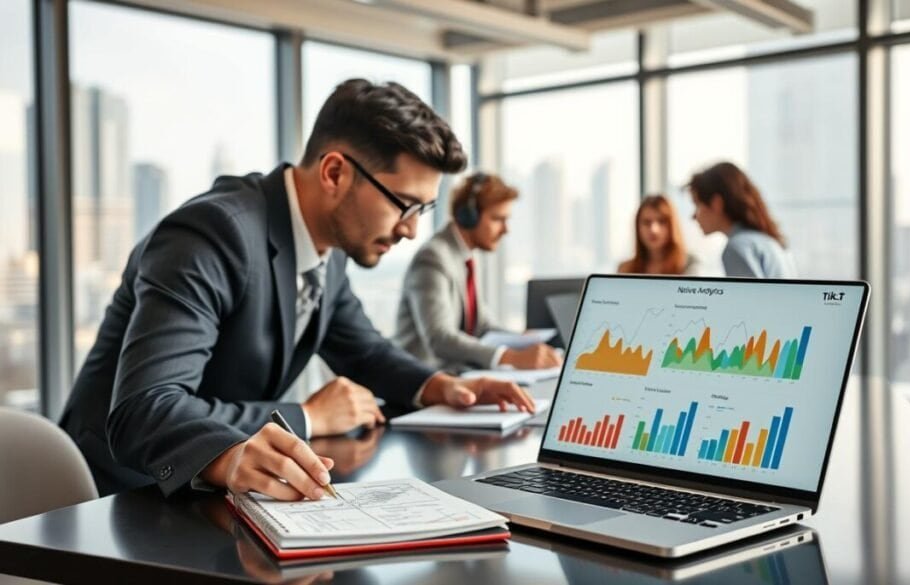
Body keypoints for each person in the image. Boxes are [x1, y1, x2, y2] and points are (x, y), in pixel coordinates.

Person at [59, 79, 535, 500]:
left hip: (217, 499)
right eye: (404, 205)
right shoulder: (213, 234)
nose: (411, 231)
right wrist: (305, 416)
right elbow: (147, 407)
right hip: (116, 496)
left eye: (422, 212)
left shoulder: (327, 250)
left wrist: (445, 387)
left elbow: (365, 352)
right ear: (334, 173)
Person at [395, 173, 562, 372]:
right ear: (468, 216)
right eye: (497, 219)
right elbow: (439, 338)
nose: (505, 230)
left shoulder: (465, 257)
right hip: (420, 385)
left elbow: (482, 325)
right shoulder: (433, 257)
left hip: (457, 375)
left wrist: (523, 341)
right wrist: (511, 357)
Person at [687, 161, 797, 278]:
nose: (693, 216)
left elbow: (748, 296)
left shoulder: (737, 247)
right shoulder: (768, 241)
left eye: (697, 205)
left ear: (716, 203)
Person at [617, 194, 701, 276]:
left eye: (661, 221)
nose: (653, 230)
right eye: (646, 222)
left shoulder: (689, 265)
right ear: (637, 227)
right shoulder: (625, 269)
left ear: (672, 226)